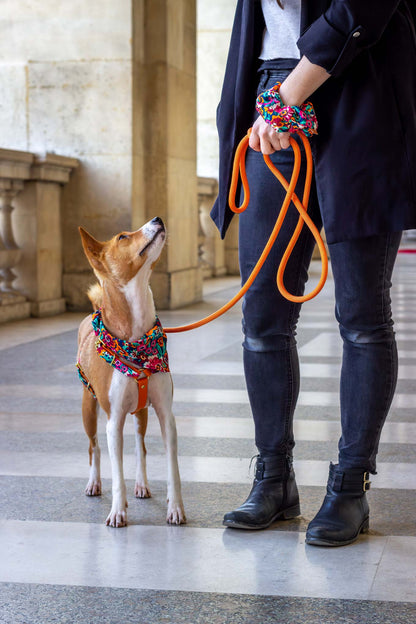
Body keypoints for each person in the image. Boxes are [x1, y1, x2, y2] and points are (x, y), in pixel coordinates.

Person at [211, 0, 416, 546]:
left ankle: (351, 485)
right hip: (269, 98)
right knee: (262, 319)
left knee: (362, 316)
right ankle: (274, 478)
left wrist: (288, 96)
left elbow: (364, 6)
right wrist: (272, 100)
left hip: (357, 87)